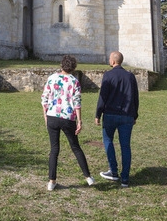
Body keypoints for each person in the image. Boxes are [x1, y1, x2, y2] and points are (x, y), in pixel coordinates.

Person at [41, 54, 96, 191]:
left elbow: (44, 99)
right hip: (67, 118)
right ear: (73, 67)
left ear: (61, 65)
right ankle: (88, 177)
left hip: (52, 116)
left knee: (54, 149)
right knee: (75, 147)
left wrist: (45, 116)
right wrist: (79, 120)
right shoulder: (74, 81)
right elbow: (77, 103)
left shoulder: (52, 78)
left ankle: (51, 182)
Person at [95, 51, 139, 188]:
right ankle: (125, 179)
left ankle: (113, 172)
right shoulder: (130, 76)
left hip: (110, 115)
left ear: (113, 61)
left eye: (109, 58)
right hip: (127, 115)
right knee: (125, 146)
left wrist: (98, 114)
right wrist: (134, 115)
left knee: (108, 141)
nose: (109, 60)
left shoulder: (108, 75)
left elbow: (103, 96)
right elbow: (135, 98)